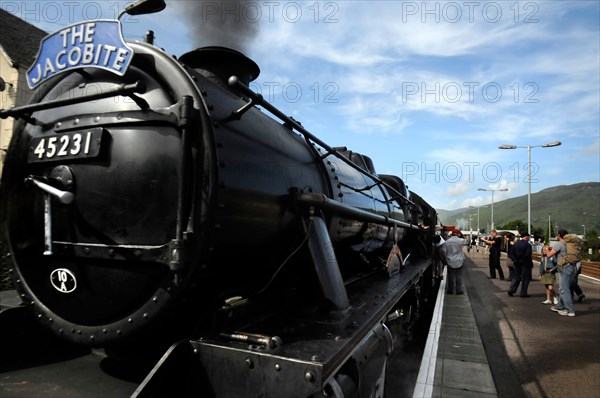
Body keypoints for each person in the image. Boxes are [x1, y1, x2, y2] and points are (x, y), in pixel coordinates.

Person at [547, 229, 576, 316]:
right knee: (563, 288)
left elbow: (549, 255)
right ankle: (559, 306)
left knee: (564, 289)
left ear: (559, 235)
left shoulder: (559, 244)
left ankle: (570, 310)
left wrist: (547, 249)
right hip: (572, 267)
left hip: (564, 268)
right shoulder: (569, 244)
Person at [507, 231, 533, 297]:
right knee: (525, 279)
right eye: (528, 237)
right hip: (525, 264)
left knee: (516, 277)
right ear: (526, 237)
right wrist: (521, 260)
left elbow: (511, 254)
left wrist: (515, 260)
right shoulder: (528, 245)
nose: (529, 238)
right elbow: (527, 255)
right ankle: (523, 293)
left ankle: (511, 290)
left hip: (516, 263)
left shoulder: (516, 244)